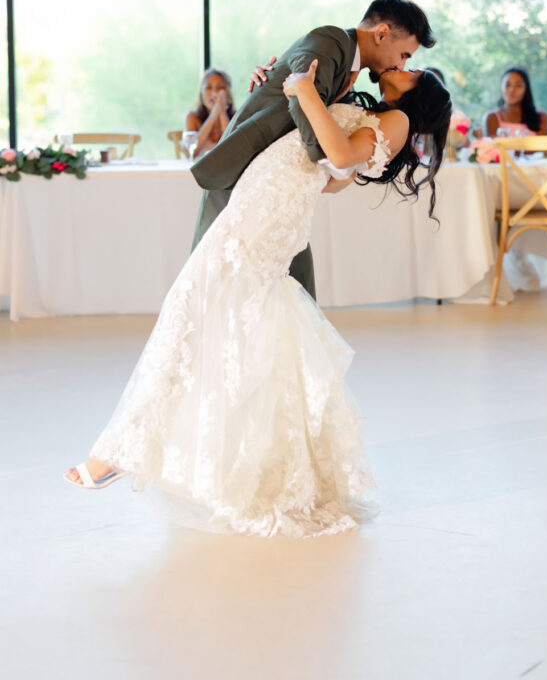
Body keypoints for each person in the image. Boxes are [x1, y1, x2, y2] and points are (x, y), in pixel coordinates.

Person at [64, 65, 452, 537]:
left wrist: (304, 91)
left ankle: (123, 451)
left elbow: (341, 156)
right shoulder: (375, 111)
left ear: (420, 95)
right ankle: (250, 460)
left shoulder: (401, 120)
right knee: (244, 317)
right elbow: (336, 170)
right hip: (267, 194)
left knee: (196, 302)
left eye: (412, 69)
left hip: (272, 205)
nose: (404, 65)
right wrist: (289, 97)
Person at [190, 0, 435, 299]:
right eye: (404, 54)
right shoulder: (330, 41)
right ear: (382, 33)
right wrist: (331, 161)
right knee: (220, 286)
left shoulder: (350, 80)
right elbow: (300, 100)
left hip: (279, 188)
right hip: (242, 173)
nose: (401, 64)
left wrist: (337, 167)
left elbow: (321, 118)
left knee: (289, 293)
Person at [484, 66, 547, 138]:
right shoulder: (492, 117)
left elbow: (544, 144)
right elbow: (492, 144)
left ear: (526, 89)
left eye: (518, 86)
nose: (512, 90)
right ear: (501, 87)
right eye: (507, 85)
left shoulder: (541, 117)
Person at [184, 68, 236, 159]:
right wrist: (213, 115)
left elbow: (233, 150)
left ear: (228, 93)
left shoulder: (235, 115)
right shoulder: (192, 117)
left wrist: (222, 113)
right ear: (201, 92)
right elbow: (191, 154)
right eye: (208, 88)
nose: (214, 93)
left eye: (220, 88)